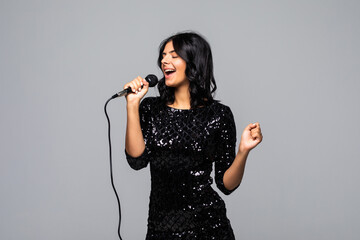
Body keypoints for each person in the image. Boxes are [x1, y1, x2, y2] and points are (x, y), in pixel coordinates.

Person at [123, 31, 263, 239]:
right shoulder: (150, 109)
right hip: (161, 228)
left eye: (173, 55)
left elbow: (226, 185)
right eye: (163, 55)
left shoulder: (218, 115)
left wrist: (243, 152)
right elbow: (136, 160)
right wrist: (132, 106)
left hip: (208, 228)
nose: (164, 61)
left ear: (193, 62)